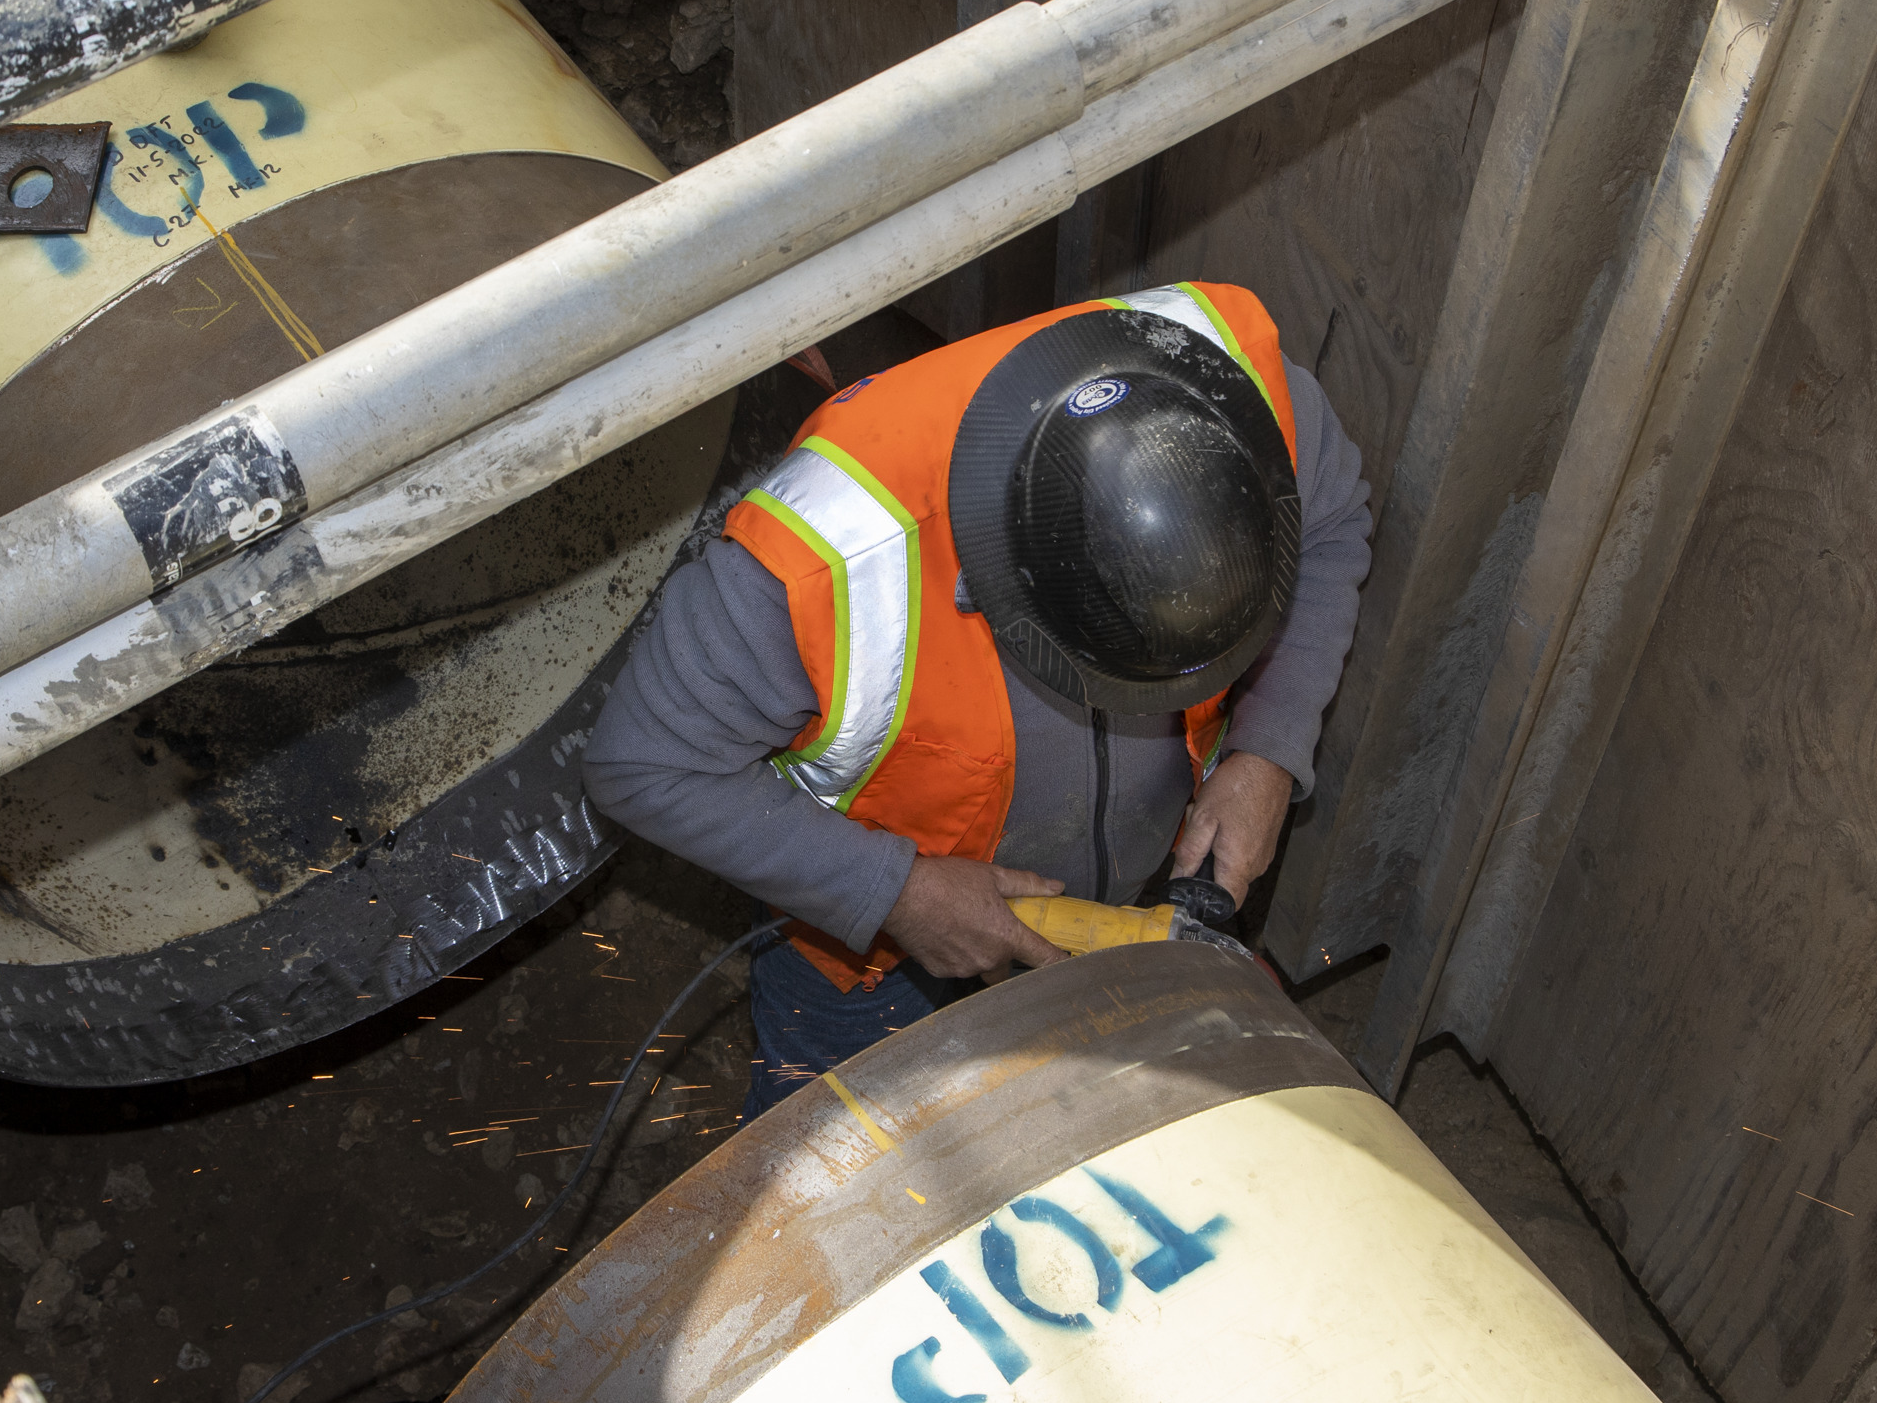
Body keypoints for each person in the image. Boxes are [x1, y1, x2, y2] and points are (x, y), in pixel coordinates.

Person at [586, 283, 1373, 1120]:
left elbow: (1330, 522)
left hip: (1122, 890)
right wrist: (894, 892)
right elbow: (640, 764)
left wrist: (1268, 748)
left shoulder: (1241, 392)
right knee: (838, 1154)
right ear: (991, 590)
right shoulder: (816, 565)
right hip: (868, 950)